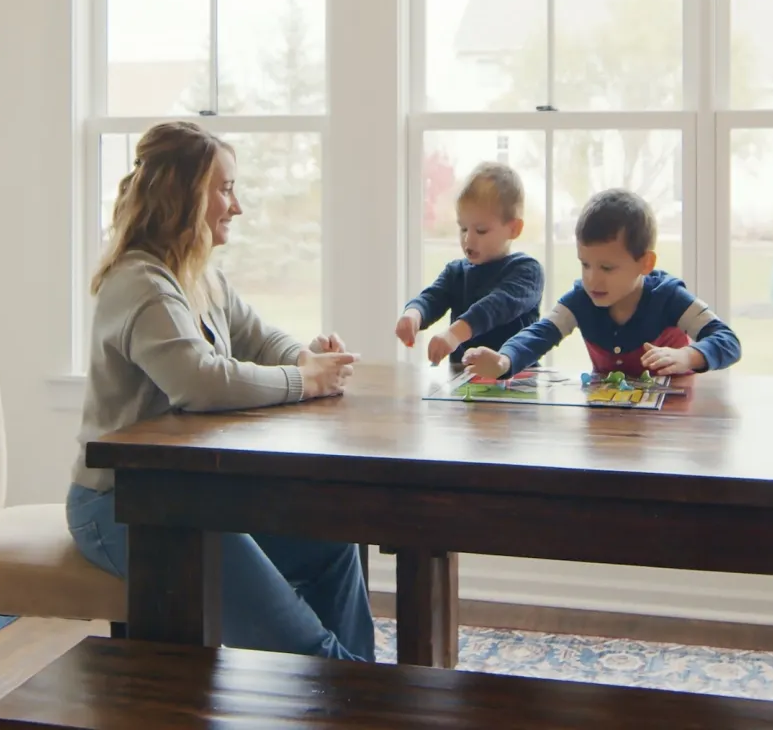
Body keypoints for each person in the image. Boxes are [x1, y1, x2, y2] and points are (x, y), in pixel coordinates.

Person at [66, 120, 373, 662]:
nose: (237, 206)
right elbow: (201, 382)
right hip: (124, 506)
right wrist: (306, 381)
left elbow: (257, 335)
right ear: (184, 194)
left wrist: (307, 357)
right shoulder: (142, 283)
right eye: (225, 188)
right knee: (306, 645)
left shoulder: (199, 275)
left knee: (333, 548)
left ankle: (364, 690)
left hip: (191, 497)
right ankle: (371, 706)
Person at [464, 188, 741, 381]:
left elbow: (728, 342)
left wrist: (688, 356)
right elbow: (539, 334)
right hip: (605, 426)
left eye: (607, 268)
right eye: (585, 264)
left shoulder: (669, 296)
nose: (592, 279)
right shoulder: (581, 298)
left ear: (645, 263)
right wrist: (505, 360)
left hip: (669, 426)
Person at [395, 161, 545, 369]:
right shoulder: (455, 272)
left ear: (514, 229)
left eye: (481, 230)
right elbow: (432, 297)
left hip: (516, 384)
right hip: (465, 382)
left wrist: (454, 334)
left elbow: (494, 306)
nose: (468, 240)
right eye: (463, 228)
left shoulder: (527, 271)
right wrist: (412, 315)